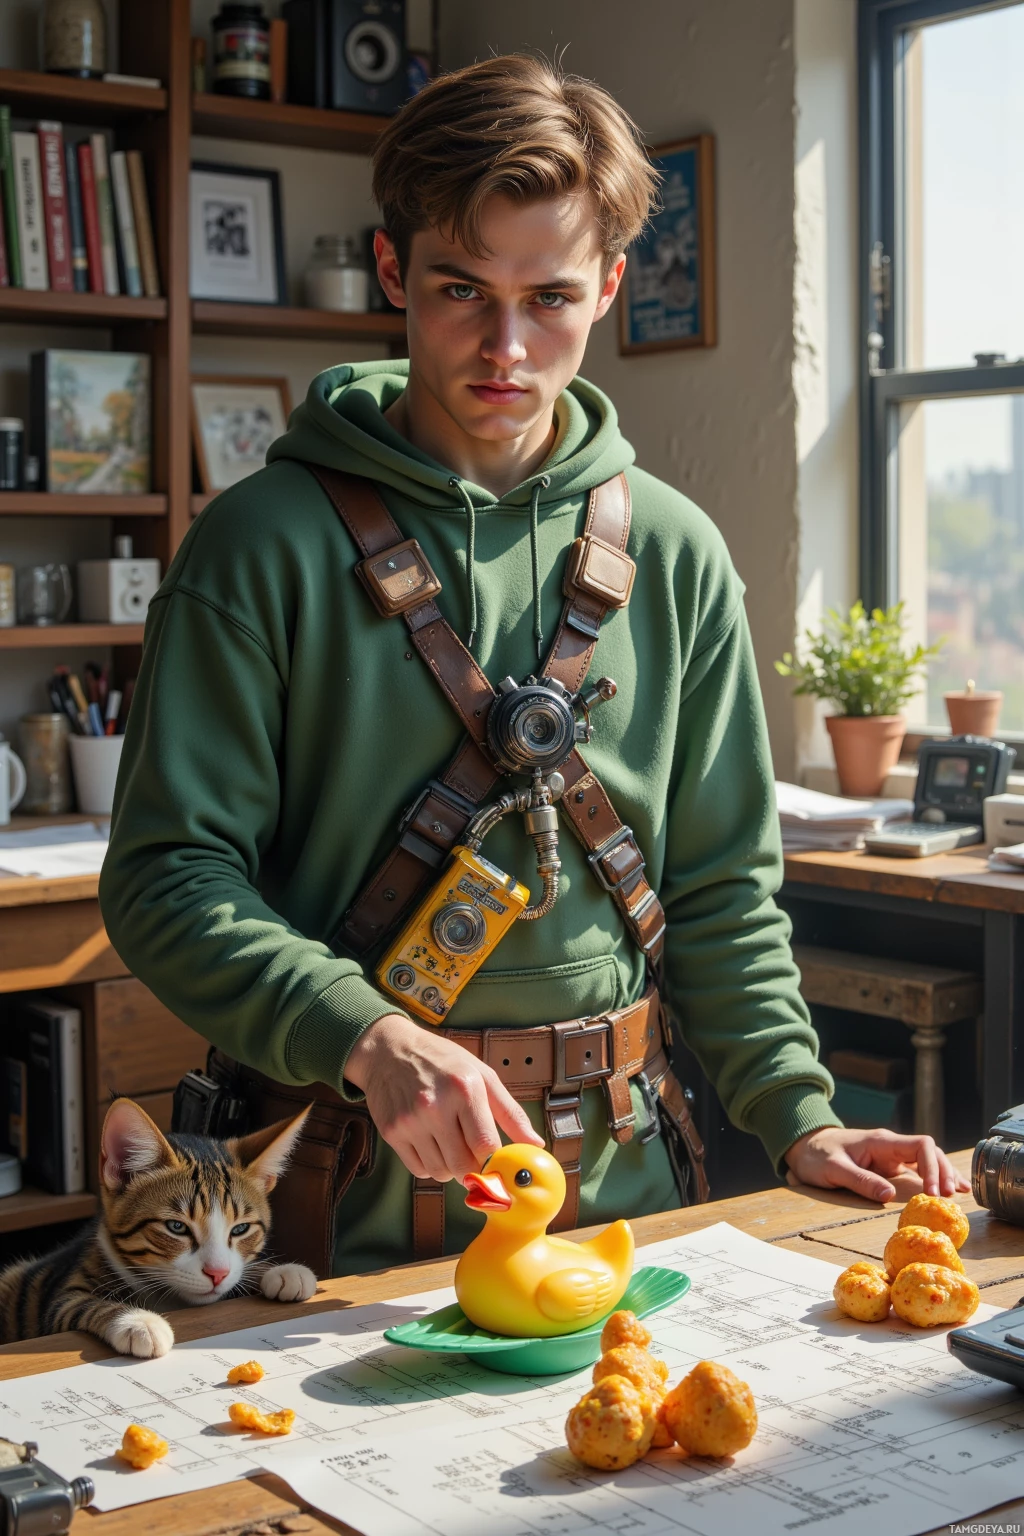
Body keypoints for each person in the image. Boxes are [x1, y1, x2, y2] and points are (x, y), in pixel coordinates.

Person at [99, 55, 967, 1277]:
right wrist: (364, 1035)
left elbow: (720, 891)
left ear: (609, 287)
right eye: (461, 288)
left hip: (627, 1188)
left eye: (550, 297)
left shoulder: (673, 552)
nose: (505, 346)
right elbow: (165, 879)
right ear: (393, 269)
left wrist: (799, 1115)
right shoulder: (256, 548)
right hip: (339, 1214)